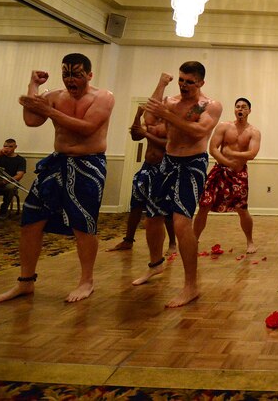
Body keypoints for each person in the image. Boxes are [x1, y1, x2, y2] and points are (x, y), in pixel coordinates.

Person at [0, 53, 115, 303]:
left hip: (89, 164)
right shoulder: (54, 97)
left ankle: (86, 281)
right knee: (31, 220)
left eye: (77, 74)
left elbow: (86, 127)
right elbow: (31, 120)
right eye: (66, 74)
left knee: (83, 224)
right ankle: (25, 281)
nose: (71, 79)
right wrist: (34, 86)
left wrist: (47, 110)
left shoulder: (103, 97)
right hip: (57, 163)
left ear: (89, 75)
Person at [131, 63, 221, 308]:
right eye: (181, 80)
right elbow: (149, 118)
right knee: (152, 217)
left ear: (201, 82)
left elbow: (198, 130)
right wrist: (162, 83)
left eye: (189, 81)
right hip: (167, 161)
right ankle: (155, 264)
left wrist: (169, 115)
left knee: (182, 223)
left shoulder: (209, 105)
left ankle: (191, 286)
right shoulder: (170, 100)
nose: (183, 85)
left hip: (192, 163)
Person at [192, 98, 261, 254]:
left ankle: (250, 241)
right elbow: (213, 149)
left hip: (239, 174)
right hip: (220, 170)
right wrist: (227, 162)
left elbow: (252, 153)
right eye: (237, 106)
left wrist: (232, 153)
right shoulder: (224, 126)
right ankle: (194, 238)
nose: (240, 109)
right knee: (204, 205)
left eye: (244, 107)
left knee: (242, 209)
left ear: (249, 111)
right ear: (234, 109)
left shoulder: (253, 132)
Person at [106, 106, 175, 253]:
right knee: (136, 203)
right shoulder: (149, 124)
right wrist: (138, 115)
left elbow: (169, 144)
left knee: (166, 207)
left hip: (164, 169)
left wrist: (146, 134)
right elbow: (135, 135)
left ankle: (172, 244)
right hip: (147, 167)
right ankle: (128, 240)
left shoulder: (171, 124)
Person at [0, 138, 27, 218]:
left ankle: (3, 211)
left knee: (11, 187)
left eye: (10, 146)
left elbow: (19, 175)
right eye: (5, 146)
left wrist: (6, 181)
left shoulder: (20, 160)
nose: (7, 148)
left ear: (15, 147)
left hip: (9, 183)